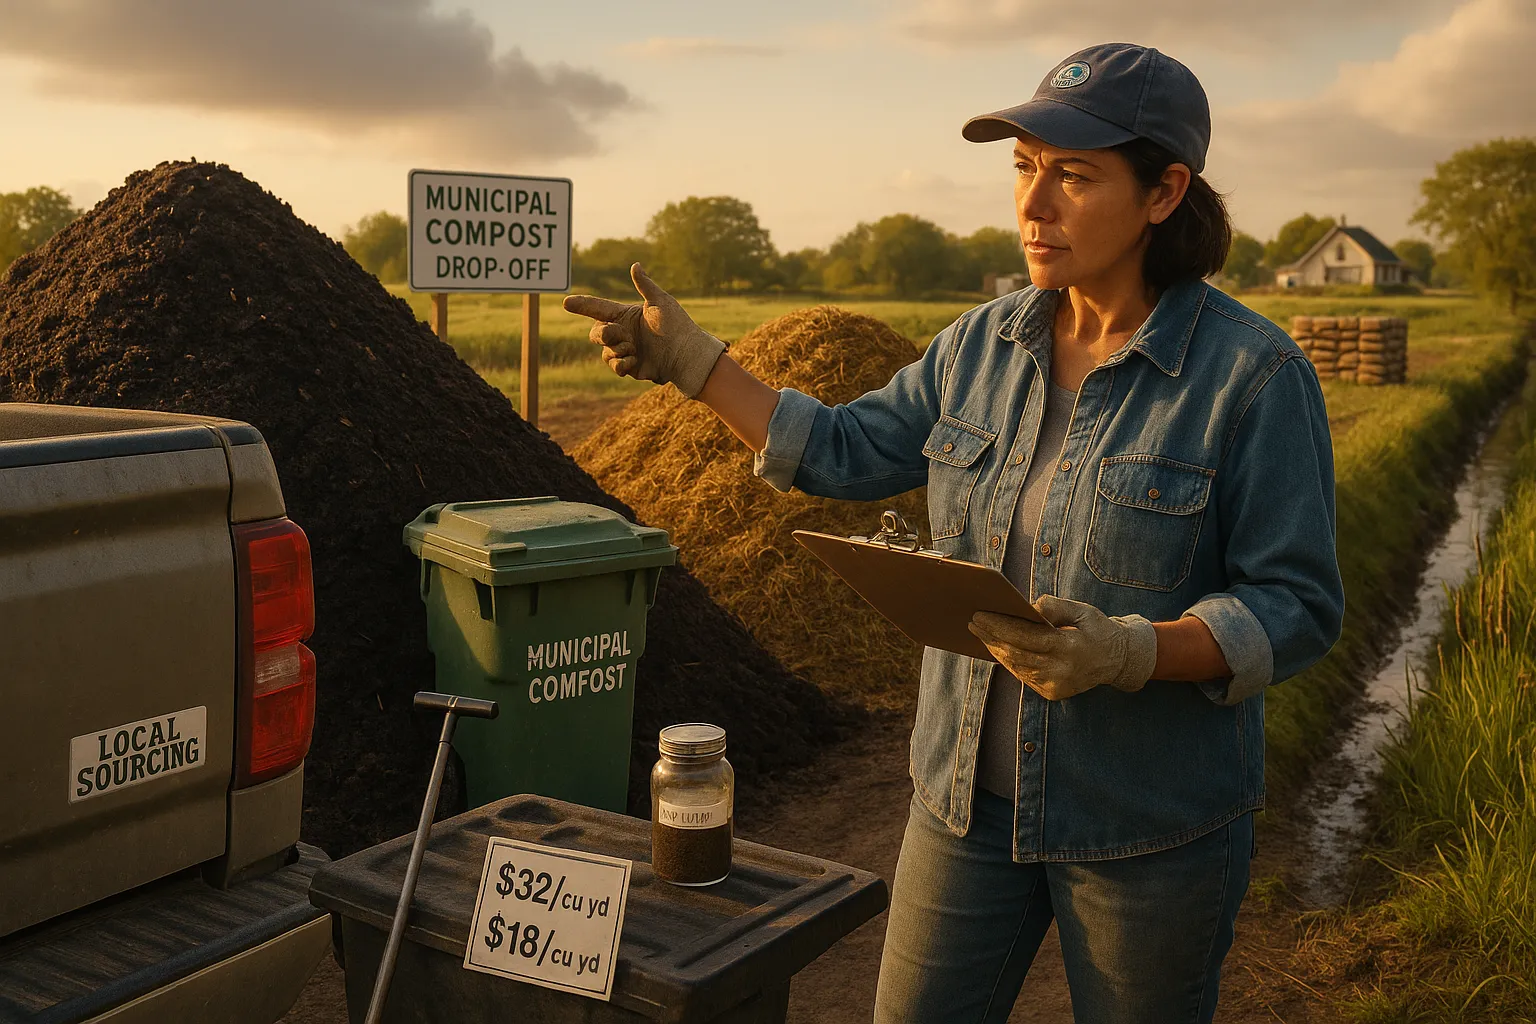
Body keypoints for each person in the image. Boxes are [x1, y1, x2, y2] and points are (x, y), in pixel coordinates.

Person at [565, 42, 1344, 1024]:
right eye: (1023, 168)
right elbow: (846, 449)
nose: (1034, 203)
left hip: (1149, 829)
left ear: (1163, 192)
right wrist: (696, 362)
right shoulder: (981, 345)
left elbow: (1298, 605)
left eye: (1073, 174)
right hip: (963, 799)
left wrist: (1130, 651)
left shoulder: (1254, 378)